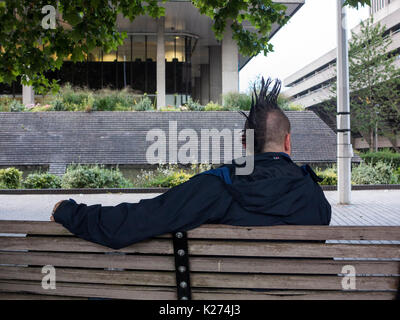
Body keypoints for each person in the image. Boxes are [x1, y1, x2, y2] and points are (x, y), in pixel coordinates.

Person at [51, 77, 331, 249]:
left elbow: (132, 224)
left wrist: (68, 211)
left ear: (244, 143)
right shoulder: (314, 197)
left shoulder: (217, 185)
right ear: (288, 143)